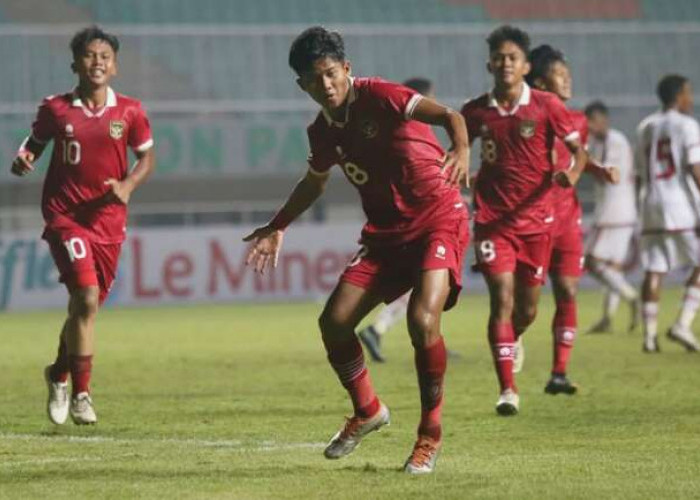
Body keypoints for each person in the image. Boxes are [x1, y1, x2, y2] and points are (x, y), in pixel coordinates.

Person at [243, 26, 470, 473]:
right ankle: (368, 411)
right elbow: (314, 182)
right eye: (314, 79)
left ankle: (430, 435)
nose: (325, 86)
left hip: (437, 220)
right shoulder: (321, 132)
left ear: (346, 69)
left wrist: (462, 149)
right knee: (334, 322)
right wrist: (277, 225)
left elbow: (450, 116)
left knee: (422, 320)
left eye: (330, 74)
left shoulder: (382, 96)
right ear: (302, 85)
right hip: (386, 235)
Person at [10, 26, 155, 424]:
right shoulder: (56, 109)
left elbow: (147, 158)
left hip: (109, 221)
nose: (97, 62)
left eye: (104, 56)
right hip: (65, 216)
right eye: (90, 55)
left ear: (115, 66)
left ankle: (58, 373)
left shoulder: (129, 111)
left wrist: (127, 185)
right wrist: (23, 160)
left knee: (83, 309)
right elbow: (32, 145)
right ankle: (82, 395)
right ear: (75, 63)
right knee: (86, 299)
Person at [461, 26, 588, 416]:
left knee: (528, 309)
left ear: (525, 65)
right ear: (489, 64)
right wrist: (459, 168)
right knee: (501, 295)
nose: (505, 64)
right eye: (498, 57)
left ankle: (513, 339)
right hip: (493, 222)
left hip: (536, 223)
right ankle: (507, 390)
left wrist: (573, 174)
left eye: (512, 58)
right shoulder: (475, 111)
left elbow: (578, 152)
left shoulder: (547, 105)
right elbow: (458, 150)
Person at [525, 45, 618, 395]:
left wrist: (597, 169)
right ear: (540, 81)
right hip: (530, 219)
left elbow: (578, 156)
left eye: (568, 73)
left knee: (567, 289)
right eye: (560, 75)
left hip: (565, 218)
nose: (568, 80)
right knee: (524, 306)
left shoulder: (578, 120)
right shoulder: (522, 117)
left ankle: (559, 373)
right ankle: (511, 339)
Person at [357, 77, 461, 363]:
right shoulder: (412, 127)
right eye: (431, 98)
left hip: (425, 217)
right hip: (420, 222)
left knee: (430, 286)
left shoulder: (412, 130)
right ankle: (381, 329)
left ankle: (426, 337)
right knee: (429, 282)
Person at [636, 74, 700, 353]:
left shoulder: (645, 126)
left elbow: (639, 173)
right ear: (679, 96)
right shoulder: (686, 125)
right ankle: (682, 324)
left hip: (650, 204)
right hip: (679, 206)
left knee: (654, 268)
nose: (691, 98)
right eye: (689, 93)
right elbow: (694, 167)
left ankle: (649, 337)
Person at [584, 100, 639, 334]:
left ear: (602, 120)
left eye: (591, 122)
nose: (589, 127)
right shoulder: (598, 142)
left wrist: (583, 163)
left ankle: (631, 296)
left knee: (591, 261)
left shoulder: (615, 141)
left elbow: (608, 174)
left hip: (612, 212)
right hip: (622, 212)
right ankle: (607, 318)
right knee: (613, 268)